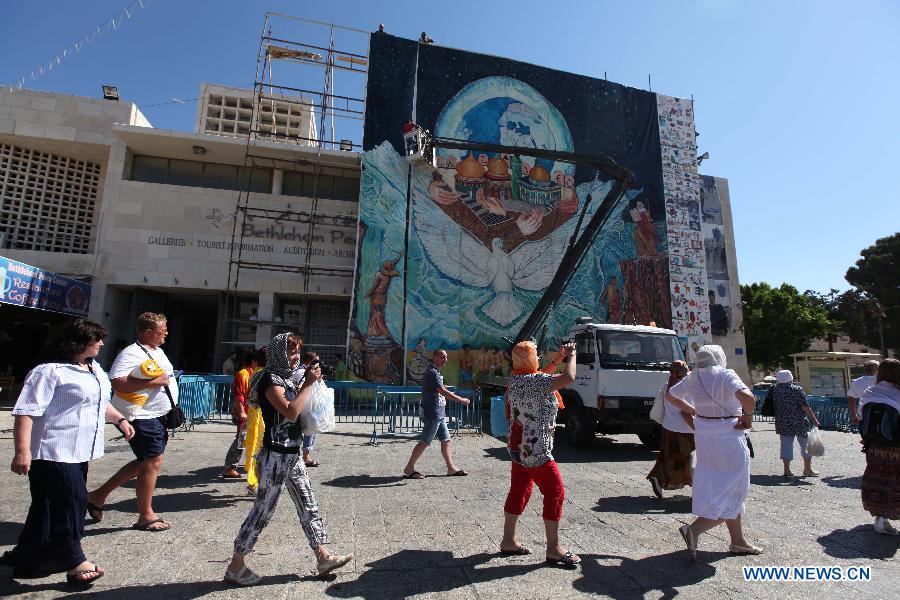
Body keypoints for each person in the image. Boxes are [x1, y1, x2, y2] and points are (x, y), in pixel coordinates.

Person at [1, 318, 135, 586]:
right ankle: (74, 561)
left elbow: (100, 403)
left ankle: (24, 558)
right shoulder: (49, 371)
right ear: (79, 342)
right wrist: (22, 451)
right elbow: (26, 411)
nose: (101, 344)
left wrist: (120, 419)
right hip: (52, 450)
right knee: (72, 503)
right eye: (96, 339)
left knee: (47, 508)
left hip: (81, 450)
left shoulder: (93, 369)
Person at [225, 333, 352, 585]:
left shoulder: (285, 378)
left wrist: (309, 383)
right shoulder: (270, 380)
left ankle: (323, 556)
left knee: (308, 504)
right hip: (275, 457)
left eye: (297, 353)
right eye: (291, 352)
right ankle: (235, 566)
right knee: (262, 511)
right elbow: (290, 412)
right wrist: (307, 385)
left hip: (292, 453)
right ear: (278, 354)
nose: (295, 358)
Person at [666, 344, 761, 557]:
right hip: (728, 434)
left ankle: (738, 541)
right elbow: (748, 399)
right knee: (735, 488)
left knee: (723, 486)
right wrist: (747, 417)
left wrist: (694, 410)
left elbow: (671, 396)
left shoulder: (694, 377)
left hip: (705, 436)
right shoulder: (725, 375)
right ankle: (695, 529)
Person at [87, 312, 178, 532]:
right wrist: (155, 382)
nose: (166, 333)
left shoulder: (157, 351)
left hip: (158, 415)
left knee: (145, 462)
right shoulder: (131, 353)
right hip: (142, 416)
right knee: (152, 461)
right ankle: (146, 515)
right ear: (148, 332)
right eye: (162, 330)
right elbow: (117, 382)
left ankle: (98, 496)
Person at [500, 341, 580, 567]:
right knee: (556, 492)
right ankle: (554, 548)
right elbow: (568, 378)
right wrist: (572, 357)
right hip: (536, 449)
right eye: (536, 355)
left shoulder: (516, 380)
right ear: (530, 359)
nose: (538, 359)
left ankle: (508, 540)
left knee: (519, 490)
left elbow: (541, 376)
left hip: (518, 447)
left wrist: (557, 359)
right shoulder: (535, 381)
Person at [402, 349, 471, 479]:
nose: (444, 359)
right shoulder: (432, 372)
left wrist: (444, 389)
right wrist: (461, 400)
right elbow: (442, 391)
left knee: (446, 440)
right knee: (424, 441)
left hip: (439, 414)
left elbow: (439, 389)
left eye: (446, 357)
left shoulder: (435, 372)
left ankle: (451, 468)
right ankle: (409, 468)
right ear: (434, 357)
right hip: (433, 414)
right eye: (441, 356)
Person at [858, 358, 900, 535]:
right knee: (895, 482)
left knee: (879, 479)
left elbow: (861, 414)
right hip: (896, 447)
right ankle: (885, 519)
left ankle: (880, 518)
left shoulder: (870, 391)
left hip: (874, 447)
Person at [647, 361, 694, 499]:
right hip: (685, 431)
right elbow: (686, 413)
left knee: (668, 457)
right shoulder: (685, 388)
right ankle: (697, 485)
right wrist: (698, 429)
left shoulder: (667, 385)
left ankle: (657, 478)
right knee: (687, 460)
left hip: (669, 428)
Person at [772, 370, 821, 477]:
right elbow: (805, 406)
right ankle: (807, 469)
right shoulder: (797, 389)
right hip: (799, 421)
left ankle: (787, 470)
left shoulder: (775, 390)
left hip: (782, 422)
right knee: (805, 444)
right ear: (790, 378)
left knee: (786, 445)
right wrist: (814, 420)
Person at [223, 350, 263, 479]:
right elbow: (239, 395)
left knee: (249, 439)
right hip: (246, 413)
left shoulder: (255, 373)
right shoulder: (243, 374)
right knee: (241, 439)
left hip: (253, 413)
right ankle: (230, 467)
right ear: (253, 361)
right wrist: (241, 412)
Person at [292, 352, 321, 468]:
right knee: (307, 430)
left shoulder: (308, 372)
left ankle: (304, 455)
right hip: (303, 405)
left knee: (310, 431)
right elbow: (305, 388)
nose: (318, 365)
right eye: (316, 362)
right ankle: (305, 456)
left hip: (309, 404)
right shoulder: (300, 372)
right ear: (310, 362)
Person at [849, 360, 879, 425]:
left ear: (865, 369)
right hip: (884, 411)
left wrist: (854, 415)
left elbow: (851, 399)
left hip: (864, 412)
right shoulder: (881, 380)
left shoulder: (856, 382)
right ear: (878, 369)